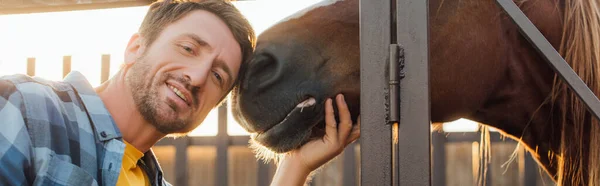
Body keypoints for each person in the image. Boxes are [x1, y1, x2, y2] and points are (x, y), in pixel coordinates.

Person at [0, 0, 360, 185]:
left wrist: (295, 165)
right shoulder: (23, 108)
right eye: (188, 48)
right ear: (135, 47)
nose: (198, 76)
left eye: (219, 75)